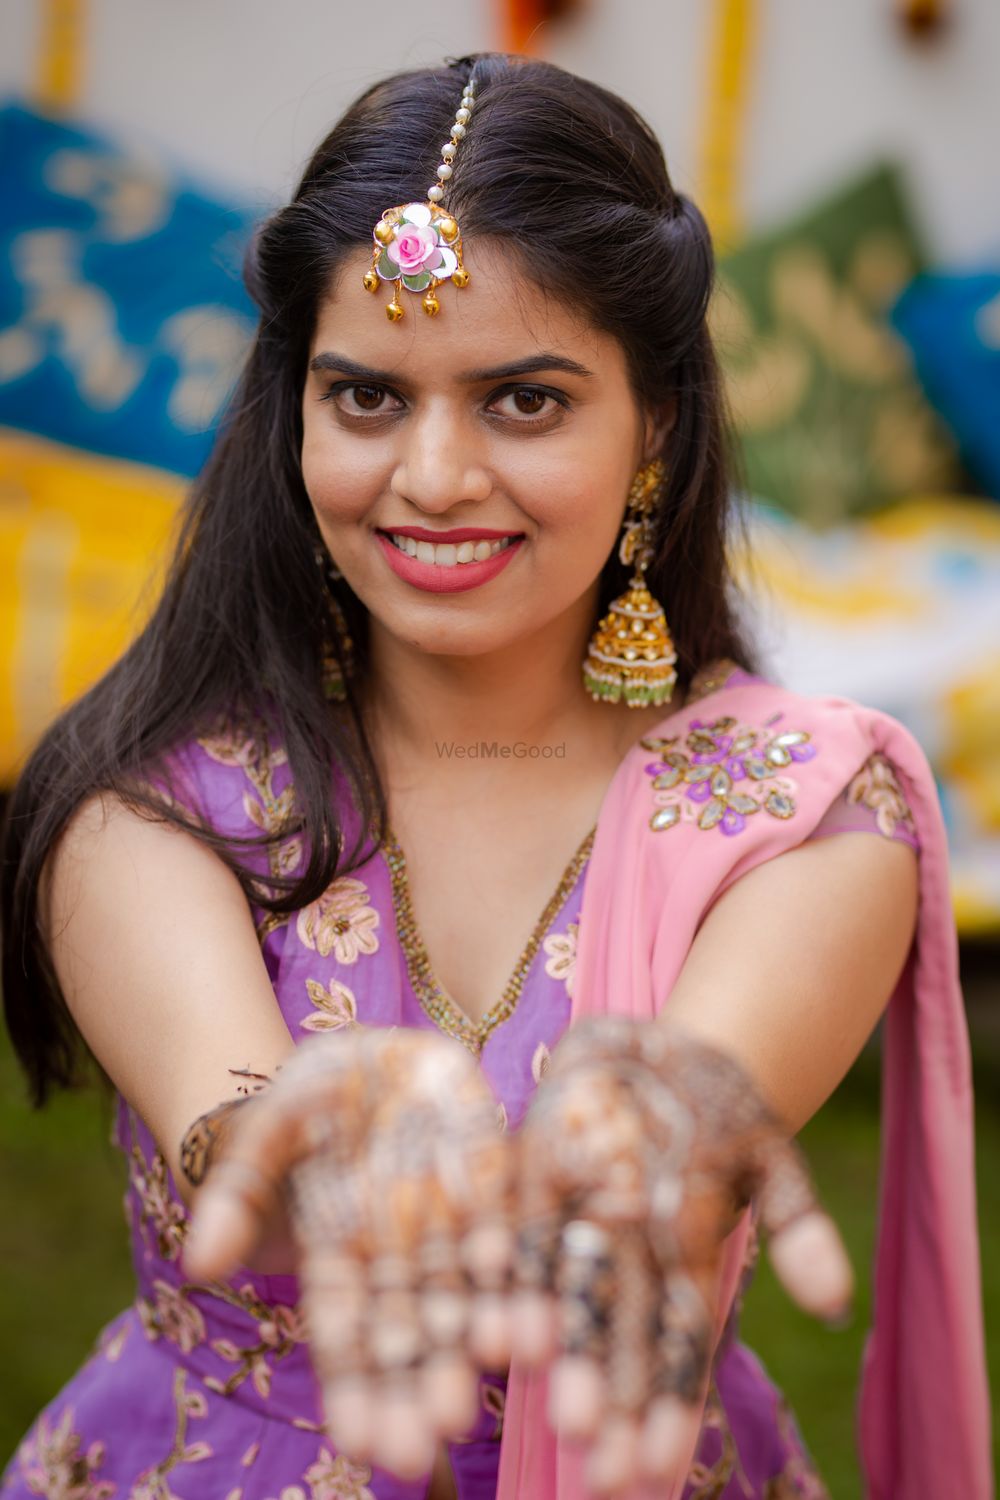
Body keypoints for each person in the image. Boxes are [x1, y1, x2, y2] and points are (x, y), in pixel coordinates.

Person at [0, 50, 990, 1500]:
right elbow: (251, 1160)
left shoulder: (808, 820)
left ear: (653, 425)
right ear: (296, 414)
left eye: (524, 401)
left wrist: (646, 1166)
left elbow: (658, 1171)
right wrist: (316, 1162)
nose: (436, 475)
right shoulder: (153, 804)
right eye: (368, 398)